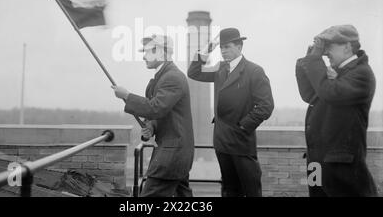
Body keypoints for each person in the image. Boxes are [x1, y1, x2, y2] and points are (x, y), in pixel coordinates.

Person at [188, 27, 274, 197]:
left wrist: (243, 127)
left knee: (251, 190)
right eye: (221, 47)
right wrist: (207, 49)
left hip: (241, 143)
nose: (223, 51)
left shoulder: (254, 71)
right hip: (222, 141)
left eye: (227, 47)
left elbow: (266, 106)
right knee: (229, 190)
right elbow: (194, 72)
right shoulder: (220, 68)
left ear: (240, 47)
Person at [295, 24, 377, 197]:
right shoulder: (335, 74)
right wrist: (309, 58)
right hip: (316, 164)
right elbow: (309, 94)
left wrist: (315, 60)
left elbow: (329, 93)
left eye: (329, 47)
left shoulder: (361, 73)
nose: (325, 53)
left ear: (347, 46)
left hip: (341, 167)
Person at [112, 34, 194, 197]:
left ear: (163, 53)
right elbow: (164, 113)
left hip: (171, 156)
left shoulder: (172, 77)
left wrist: (127, 96)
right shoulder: (164, 77)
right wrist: (151, 126)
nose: (144, 56)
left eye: (150, 51)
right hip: (176, 153)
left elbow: (156, 108)